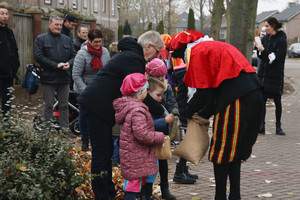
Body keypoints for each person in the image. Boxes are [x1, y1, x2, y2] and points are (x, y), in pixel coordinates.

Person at [171, 37, 263, 200]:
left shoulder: (199, 52)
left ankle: (220, 196)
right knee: (233, 152)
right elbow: (215, 91)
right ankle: (234, 195)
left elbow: (204, 93)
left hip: (236, 100)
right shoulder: (211, 48)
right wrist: (200, 115)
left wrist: (187, 112)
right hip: (251, 94)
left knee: (221, 151)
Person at [77, 31, 165, 199]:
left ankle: (108, 190)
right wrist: (161, 112)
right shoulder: (134, 59)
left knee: (107, 151)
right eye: (157, 51)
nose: (157, 56)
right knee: (101, 154)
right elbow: (140, 93)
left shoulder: (131, 55)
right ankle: (101, 195)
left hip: (99, 107)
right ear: (148, 46)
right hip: (96, 106)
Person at [113, 73, 167, 200]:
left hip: (133, 153)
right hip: (137, 154)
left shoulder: (128, 107)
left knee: (135, 182)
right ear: (141, 92)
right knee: (133, 184)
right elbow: (142, 134)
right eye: (146, 90)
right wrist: (159, 137)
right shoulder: (137, 110)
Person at [145, 58, 197, 186]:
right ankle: (147, 189)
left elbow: (172, 102)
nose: (162, 78)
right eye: (159, 76)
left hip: (165, 123)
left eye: (163, 76)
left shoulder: (166, 87)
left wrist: (175, 114)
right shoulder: (146, 89)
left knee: (163, 158)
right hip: (154, 122)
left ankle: (165, 187)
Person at [34, 15, 76, 137]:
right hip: (49, 78)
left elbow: (74, 56)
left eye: (60, 25)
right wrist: (56, 65)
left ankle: (64, 130)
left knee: (64, 105)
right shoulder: (41, 39)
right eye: (56, 24)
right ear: (49, 25)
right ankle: (47, 131)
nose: (58, 27)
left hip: (64, 78)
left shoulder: (67, 40)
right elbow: (38, 56)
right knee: (48, 105)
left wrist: (69, 63)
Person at [72, 28, 110, 151]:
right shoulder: (81, 54)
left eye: (100, 41)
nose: (98, 44)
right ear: (89, 40)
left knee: (99, 116)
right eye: (96, 42)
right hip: (85, 89)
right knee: (84, 115)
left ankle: (97, 139)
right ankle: (84, 141)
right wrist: (86, 91)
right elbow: (76, 75)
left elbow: (107, 70)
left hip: (100, 90)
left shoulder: (105, 52)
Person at [255, 17, 287, 136]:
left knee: (277, 101)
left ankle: (278, 126)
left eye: (267, 26)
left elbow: (275, 58)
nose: (265, 28)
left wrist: (263, 51)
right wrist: (258, 48)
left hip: (275, 75)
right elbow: (262, 57)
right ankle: (261, 125)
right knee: (262, 101)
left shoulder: (281, 39)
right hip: (264, 75)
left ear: (273, 26)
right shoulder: (266, 38)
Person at [0, 5, 20, 118]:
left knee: (7, 101)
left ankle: (6, 124)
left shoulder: (9, 32)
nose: (5, 16)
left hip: (9, 73)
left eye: (6, 14)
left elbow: (14, 50)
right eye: (2, 13)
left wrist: (15, 66)